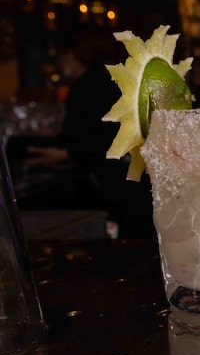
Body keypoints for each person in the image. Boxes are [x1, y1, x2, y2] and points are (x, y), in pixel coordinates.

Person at [25, 26, 154, 238]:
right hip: (131, 175)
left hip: (113, 180)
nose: (58, 61)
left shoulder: (85, 87)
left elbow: (101, 136)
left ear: (72, 55)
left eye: (61, 54)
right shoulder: (108, 80)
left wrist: (67, 153)